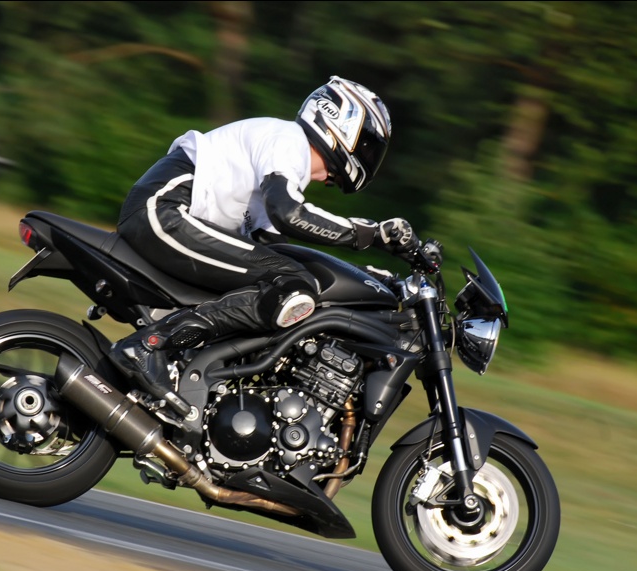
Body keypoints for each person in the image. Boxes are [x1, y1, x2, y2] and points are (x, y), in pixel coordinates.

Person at [109, 75, 419, 416]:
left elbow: (278, 252)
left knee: (286, 284)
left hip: (174, 215)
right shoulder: (288, 141)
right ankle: (148, 346)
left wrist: (368, 277)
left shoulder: (286, 168)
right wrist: (370, 234)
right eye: (369, 146)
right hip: (163, 208)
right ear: (341, 122)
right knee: (294, 286)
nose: (369, 156)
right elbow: (289, 214)